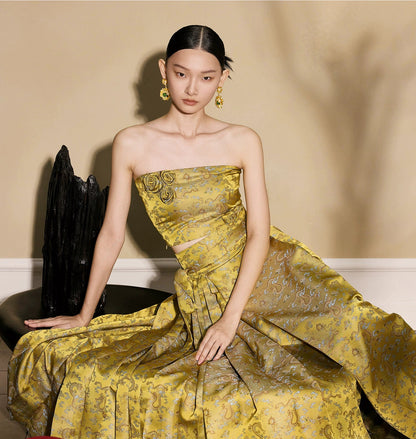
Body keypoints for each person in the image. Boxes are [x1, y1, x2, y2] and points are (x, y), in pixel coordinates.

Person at [8, 25, 416, 439]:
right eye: (181, 74)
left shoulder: (241, 139)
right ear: (163, 71)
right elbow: (111, 233)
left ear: (222, 79)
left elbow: (258, 232)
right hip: (205, 286)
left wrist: (230, 319)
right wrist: (83, 315)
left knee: (364, 328)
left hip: (273, 271)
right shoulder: (132, 143)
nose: (192, 88)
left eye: (206, 77)